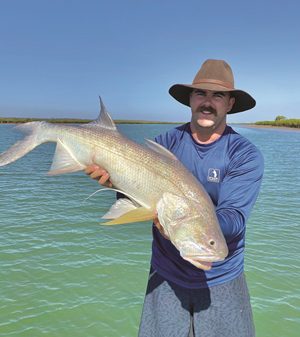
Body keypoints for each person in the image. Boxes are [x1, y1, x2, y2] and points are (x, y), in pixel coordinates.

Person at [85, 59, 264, 337]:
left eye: (217, 95)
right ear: (190, 99)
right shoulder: (164, 144)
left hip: (222, 276)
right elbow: (135, 195)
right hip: (166, 274)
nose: (207, 102)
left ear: (230, 104)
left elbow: (234, 218)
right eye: (200, 93)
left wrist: (182, 227)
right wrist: (113, 183)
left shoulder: (244, 154)